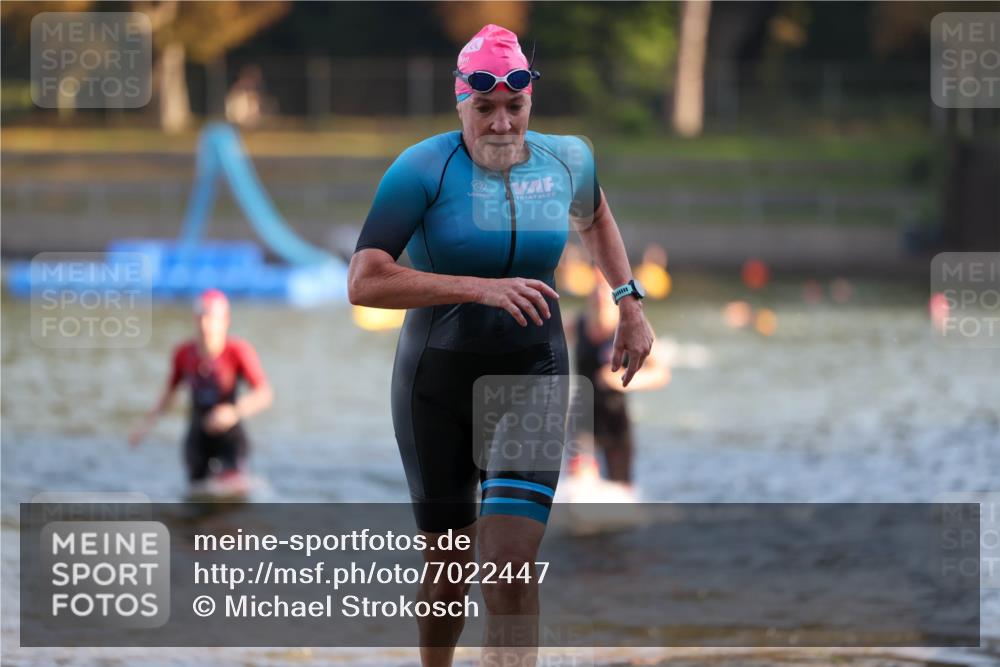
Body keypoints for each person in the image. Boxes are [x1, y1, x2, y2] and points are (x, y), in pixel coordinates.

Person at [347, 24, 655, 667]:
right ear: (461, 103)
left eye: (514, 107)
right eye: (484, 108)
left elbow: (594, 215)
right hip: (435, 382)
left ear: (530, 104)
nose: (500, 123)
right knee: (449, 569)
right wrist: (478, 289)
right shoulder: (421, 170)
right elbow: (364, 279)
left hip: (533, 373)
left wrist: (628, 301)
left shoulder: (567, 159)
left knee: (511, 566)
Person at [129, 289, 273, 486]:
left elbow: (264, 394)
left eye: (212, 318)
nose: (206, 325)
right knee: (196, 492)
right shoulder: (183, 353)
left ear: (225, 321)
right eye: (201, 317)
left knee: (234, 490)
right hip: (198, 432)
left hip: (229, 434)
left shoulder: (238, 351)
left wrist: (233, 411)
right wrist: (145, 426)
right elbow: (169, 393)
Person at [567, 269, 670, 488]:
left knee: (621, 488)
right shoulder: (579, 323)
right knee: (581, 482)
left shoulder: (631, 326)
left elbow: (661, 373)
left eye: (605, 297)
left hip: (616, 418)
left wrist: (623, 380)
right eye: (596, 297)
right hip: (583, 416)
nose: (600, 302)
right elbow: (546, 337)